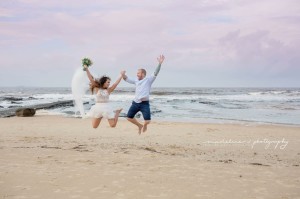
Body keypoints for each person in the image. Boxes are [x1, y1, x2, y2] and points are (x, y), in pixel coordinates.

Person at [122, 55, 165, 134]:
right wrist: (123, 74)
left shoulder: (148, 80)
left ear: (143, 74)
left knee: (148, 121)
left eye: (138, 73)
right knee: (128, 117)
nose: (137, 74)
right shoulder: (136, 80)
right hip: (135, 103)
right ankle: (139, 125)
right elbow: (126, 79)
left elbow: (156, 72)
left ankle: (144, 125)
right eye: (137, 73)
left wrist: (160, 63)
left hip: (144, 104)